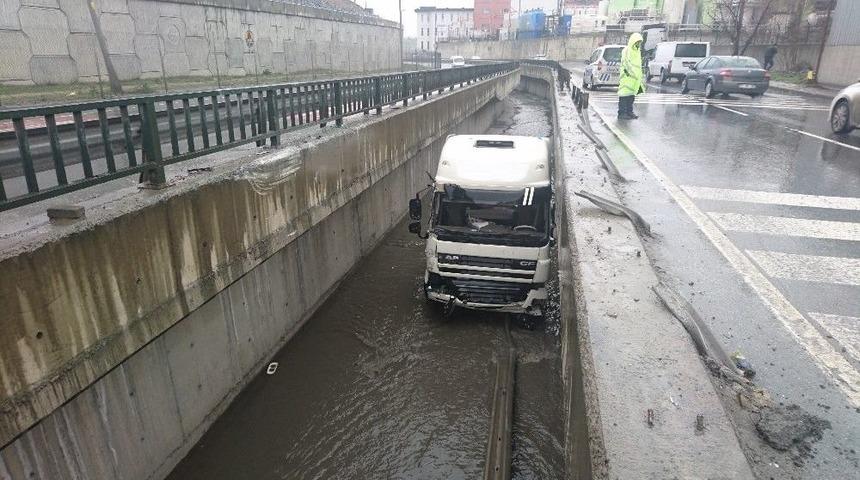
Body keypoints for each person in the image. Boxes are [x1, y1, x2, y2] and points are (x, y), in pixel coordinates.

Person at [618, 32, 645, 120]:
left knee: (631, 96)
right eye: (637, 42)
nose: (638, 44)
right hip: (627, 77)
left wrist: (639, 76)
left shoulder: (637, 51)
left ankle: (629, 112)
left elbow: (638, 65)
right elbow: (626, 63)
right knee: (624, 95)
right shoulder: (626, 50)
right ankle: (622, 113)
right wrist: (631, 73)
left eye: (639, 42)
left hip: (635, 79)